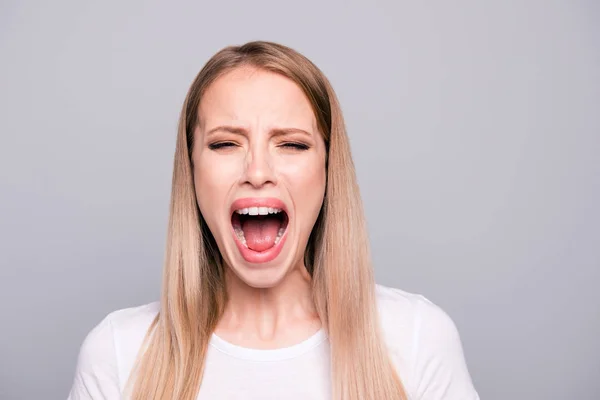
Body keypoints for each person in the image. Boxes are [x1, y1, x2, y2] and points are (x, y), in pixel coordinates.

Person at [67, 41, 479, 400]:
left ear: (328, 168)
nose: (258, 170)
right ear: (191, 170)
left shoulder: (417, 338)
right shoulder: (118, 352)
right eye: (226, 143)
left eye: (292, 144)